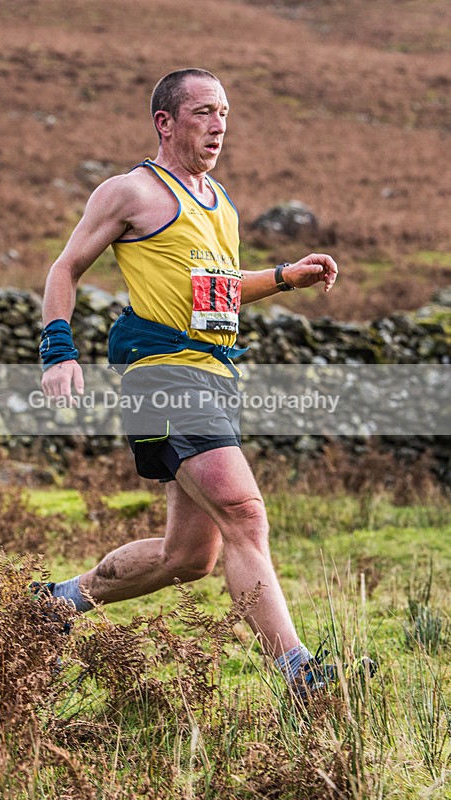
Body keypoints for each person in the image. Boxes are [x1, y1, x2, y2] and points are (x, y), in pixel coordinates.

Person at [38, 68, 373, 700]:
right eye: (202, 112)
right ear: (165, 122)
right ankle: (301, 674)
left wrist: (282, 277)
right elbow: (66, 267)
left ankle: (57, 602)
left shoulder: (221, 203)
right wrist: (58, 351)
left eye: (223, 112)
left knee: (188, 558)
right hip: (162, 373)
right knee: (245, 513)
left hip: (215, 372)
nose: (218, 125)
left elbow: (213, 293)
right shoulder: (130, 192)